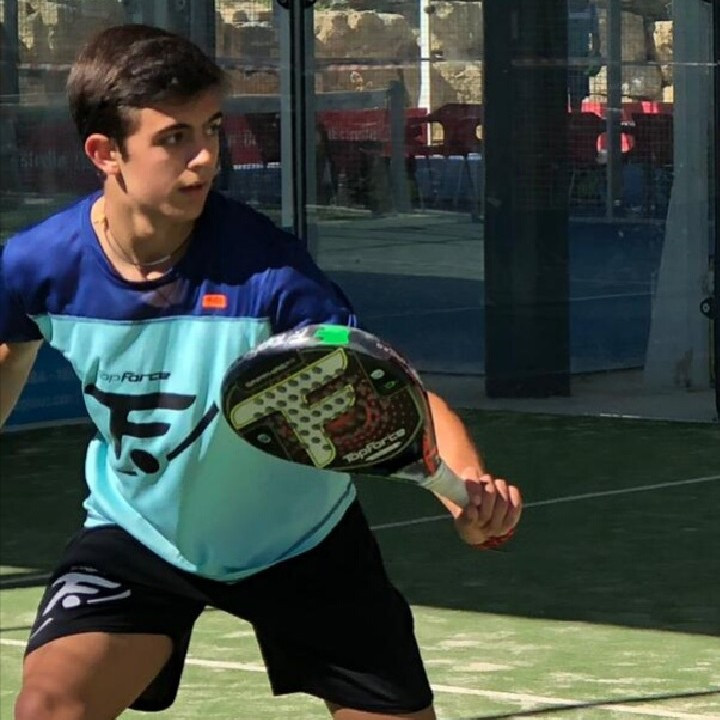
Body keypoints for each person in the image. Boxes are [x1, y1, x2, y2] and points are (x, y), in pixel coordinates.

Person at [0, 24, 522, 720]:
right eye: (174, 137)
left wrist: (466, 492)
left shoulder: (271, 272)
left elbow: (386, 383)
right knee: (49, 708)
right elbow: (7, 353)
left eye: (212, 129)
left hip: (303, 543)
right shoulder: (37, 266)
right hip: (141, 536)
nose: (205, 157)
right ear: (105, 153)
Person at [568, 0, 602, 112]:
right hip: (561, 59)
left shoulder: (591, 8)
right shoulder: (560, 5)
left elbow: (596, 35)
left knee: (577, 99)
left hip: (582, 60)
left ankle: (576, 118)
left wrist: (594, 55)